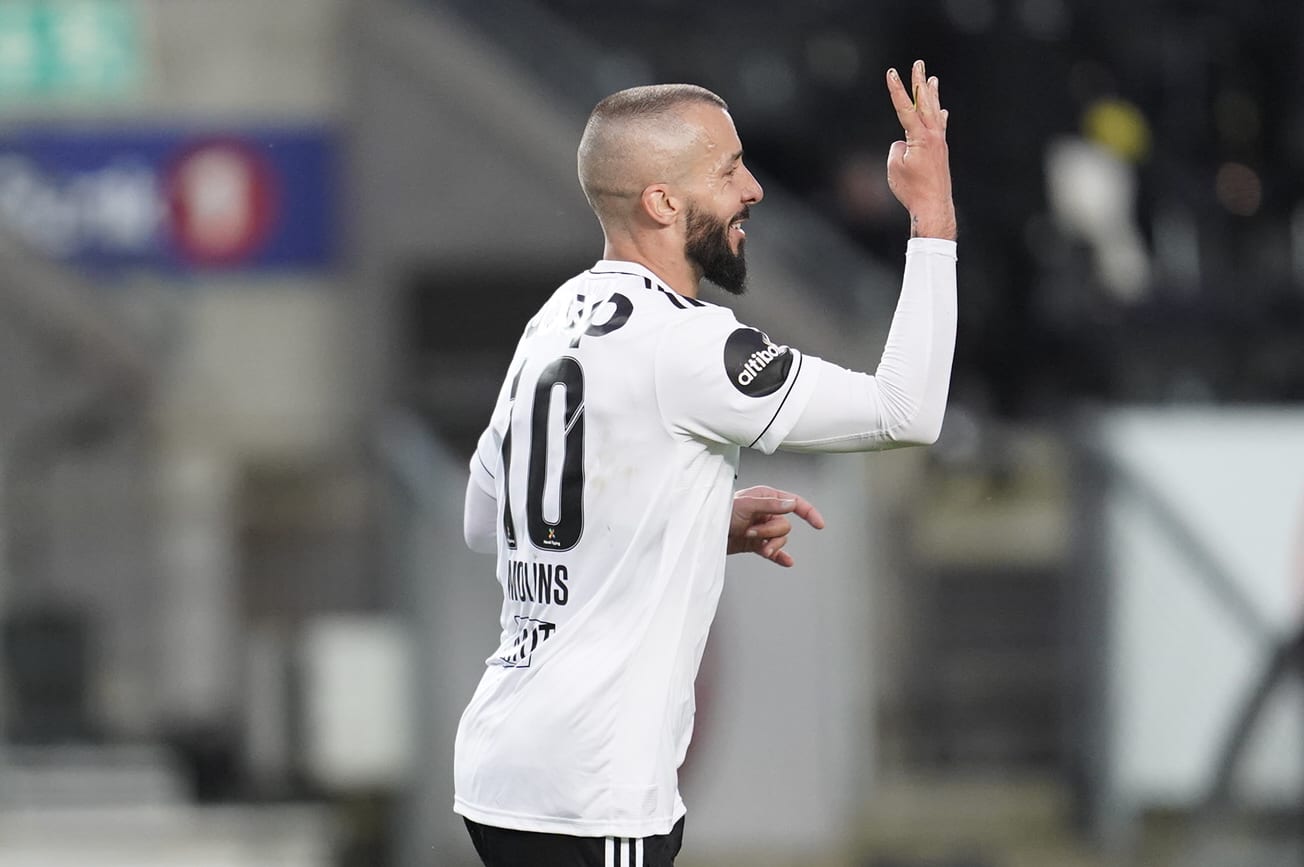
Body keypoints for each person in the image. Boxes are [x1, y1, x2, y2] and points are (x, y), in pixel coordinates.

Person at [457, 59, 957, 866]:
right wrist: (931, 216)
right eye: (728, 171)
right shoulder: (688, 345)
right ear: (663, 202)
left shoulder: (552, 320)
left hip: (502, 766)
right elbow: (908, 410)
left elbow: (489, 519)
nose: (753, 189)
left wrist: (691, 518)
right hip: (595, 787)